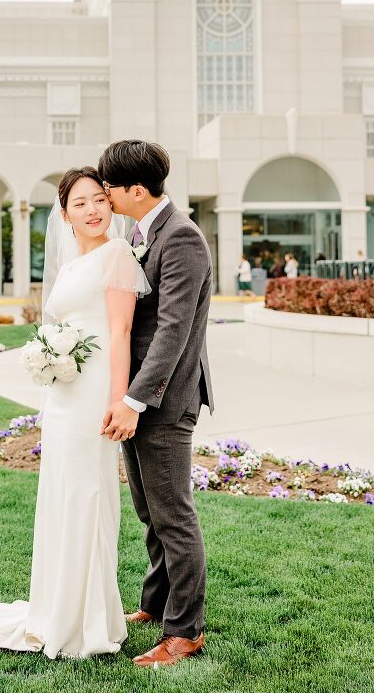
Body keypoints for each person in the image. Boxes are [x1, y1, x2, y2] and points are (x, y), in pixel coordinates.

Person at [0, 166, 149, 658]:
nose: (92, 210)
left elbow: (118, 334)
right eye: (80, 203)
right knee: (62, 493)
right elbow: (64, 321)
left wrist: (121, 399)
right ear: (65, 214)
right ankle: (57, 608)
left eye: (99, 199)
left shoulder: (118, 256)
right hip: (64, 396)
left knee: (89, 492)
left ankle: (88, 620)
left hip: (96, 393)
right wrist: (50, 357)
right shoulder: (73, 263)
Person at [98, 139, 214, 668]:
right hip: (141, 395)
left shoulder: (183, 238)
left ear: (137, 190)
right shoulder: (144, 232)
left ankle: (185, 631)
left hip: (164, 400)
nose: (104, 195)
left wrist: (134, 399)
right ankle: (156, 604)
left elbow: (172, 330)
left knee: (173, 516)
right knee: (149, 510)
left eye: (111, 188)